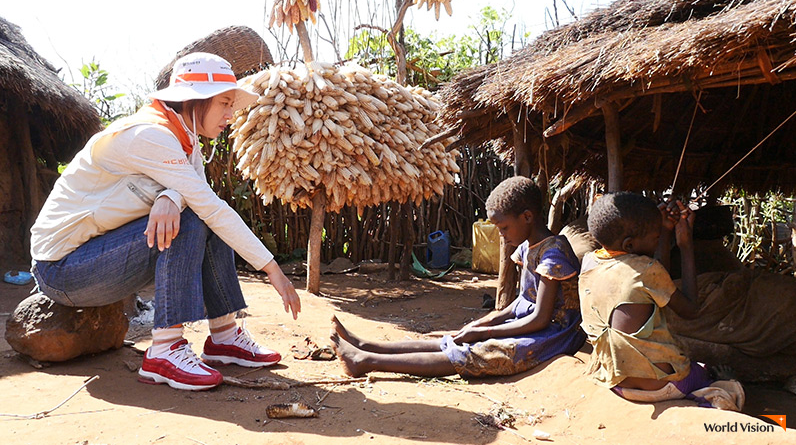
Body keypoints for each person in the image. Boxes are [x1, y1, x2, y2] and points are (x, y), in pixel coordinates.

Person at [29, 52, 301, 391]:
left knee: (200, 217)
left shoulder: (184, 139)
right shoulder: (149, 135)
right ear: (195, 100)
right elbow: (207, 205)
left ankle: (224, 336)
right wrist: (273, 269)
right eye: (225, 104)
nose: (231, 115)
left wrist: (170, 197)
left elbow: (195, 193)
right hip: (62, 268)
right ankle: (165, 350)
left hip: (99, 254)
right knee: (195, 220)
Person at [330, 176, 586, 378]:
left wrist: (487, 334)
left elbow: (541, 318)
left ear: (528, 217)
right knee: (455, 338)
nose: (502, 235)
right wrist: (486, 322)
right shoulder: (527, 247)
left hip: (554, 335)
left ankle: (366, 361)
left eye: (504, 228)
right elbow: (521, 303)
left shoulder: (553, 255)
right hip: (531, 326)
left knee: (473, 353)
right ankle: (366, 345)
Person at [579, 192, 744, 410]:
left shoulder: (589, 263)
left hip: (613, 379)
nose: (658, 242)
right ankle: (721, 387)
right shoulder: (647, 270)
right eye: (656, 237)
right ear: (629, 245)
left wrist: (664, 231)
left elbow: (655, 278)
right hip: (658, 386)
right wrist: (686, 245)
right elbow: (691, 310)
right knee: (702, 373)